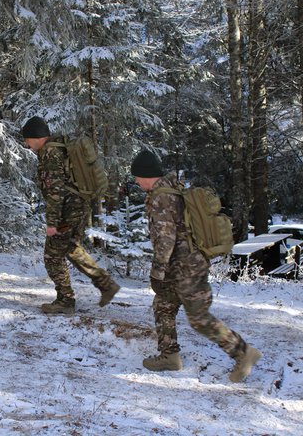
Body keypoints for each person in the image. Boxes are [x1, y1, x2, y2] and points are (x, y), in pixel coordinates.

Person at [131, 149, 261, 382]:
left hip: (186, 267)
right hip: (180, 265)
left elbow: (165, 239)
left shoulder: (162, 197)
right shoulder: (172, 190)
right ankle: (169, 356)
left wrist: (157, 270)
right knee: (163, 305)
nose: (136, 182)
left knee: (199, 317)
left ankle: (243, 353)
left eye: (137, 177)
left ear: (146, 175)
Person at [21, 116, 120, 314]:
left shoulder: (49, 152)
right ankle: (106, 284)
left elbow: (54, 192)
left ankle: (65, 300)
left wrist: (52, 223)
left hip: (67, 213)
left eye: (27, 139)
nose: (26, 144)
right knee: (71, 247)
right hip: (80, 208)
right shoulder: (59, 147)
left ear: (35, 137)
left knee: (52, 255)